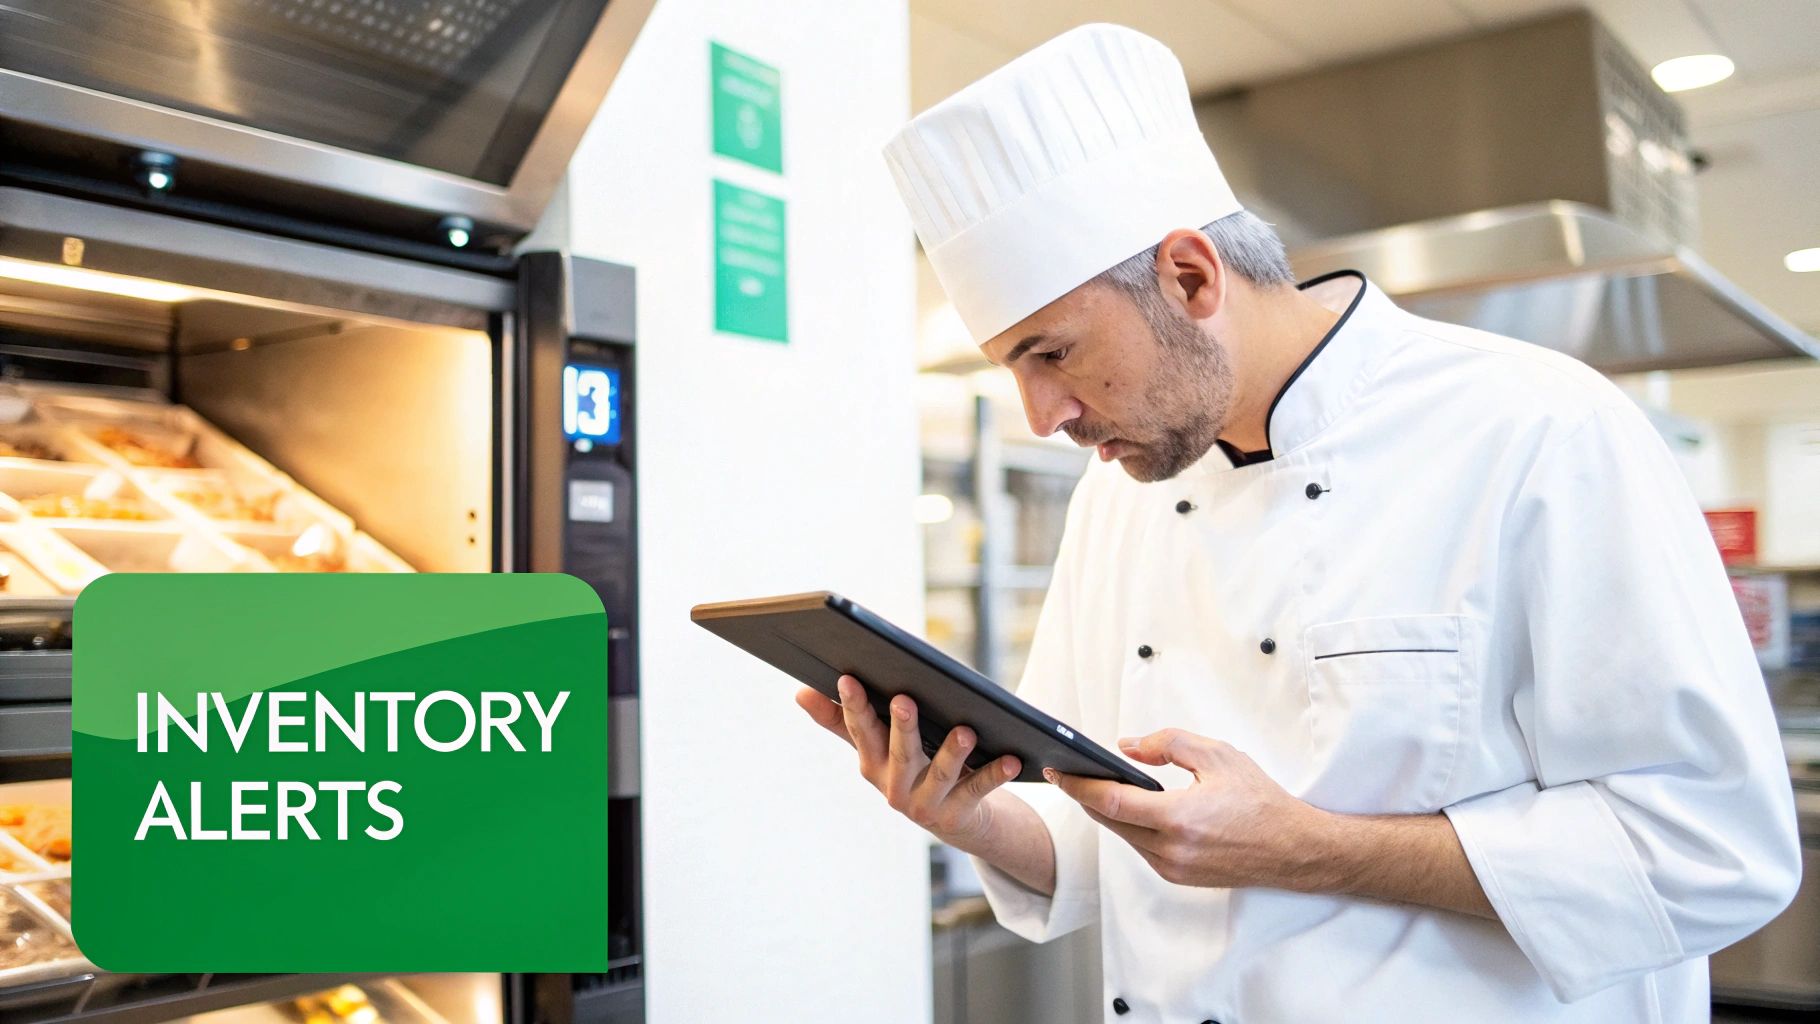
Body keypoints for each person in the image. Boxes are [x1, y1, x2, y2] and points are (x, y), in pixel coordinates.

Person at [794, 22, 1801, 1023]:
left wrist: (1307, 848)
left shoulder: (1540, 430)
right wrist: (969, 814)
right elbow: (1094, 834)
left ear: (1191, 277)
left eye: (1050, 353)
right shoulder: (1118, 494)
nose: (1041, 416)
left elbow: (1710, 849)